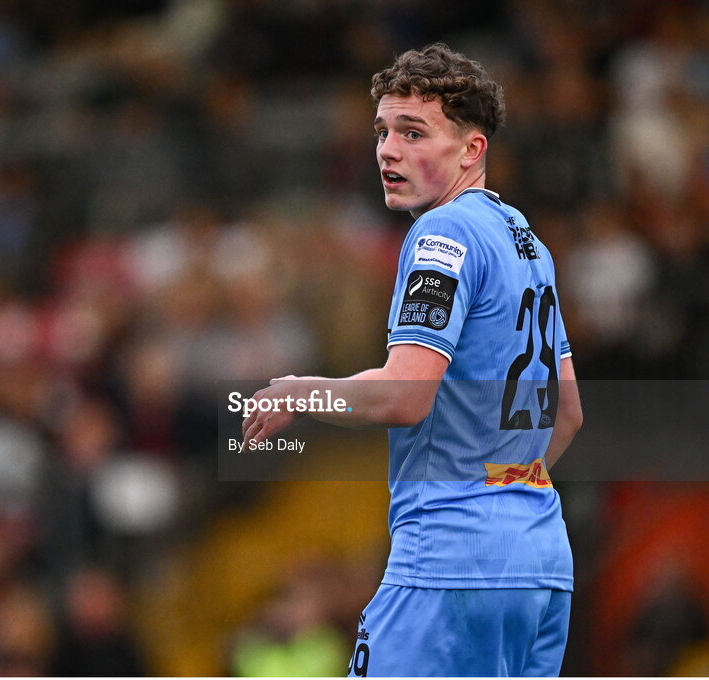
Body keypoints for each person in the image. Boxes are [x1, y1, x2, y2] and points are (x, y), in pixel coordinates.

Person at [241, 43, 583, 676]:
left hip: (448, 561)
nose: (387, 149)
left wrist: (299, 392)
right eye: (383, 131)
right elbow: (566, 413)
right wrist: (501, 497)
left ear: (471, 150)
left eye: (413, 132)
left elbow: (406, 394)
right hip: (540, 562)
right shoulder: (529, 244)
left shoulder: (442, 235)